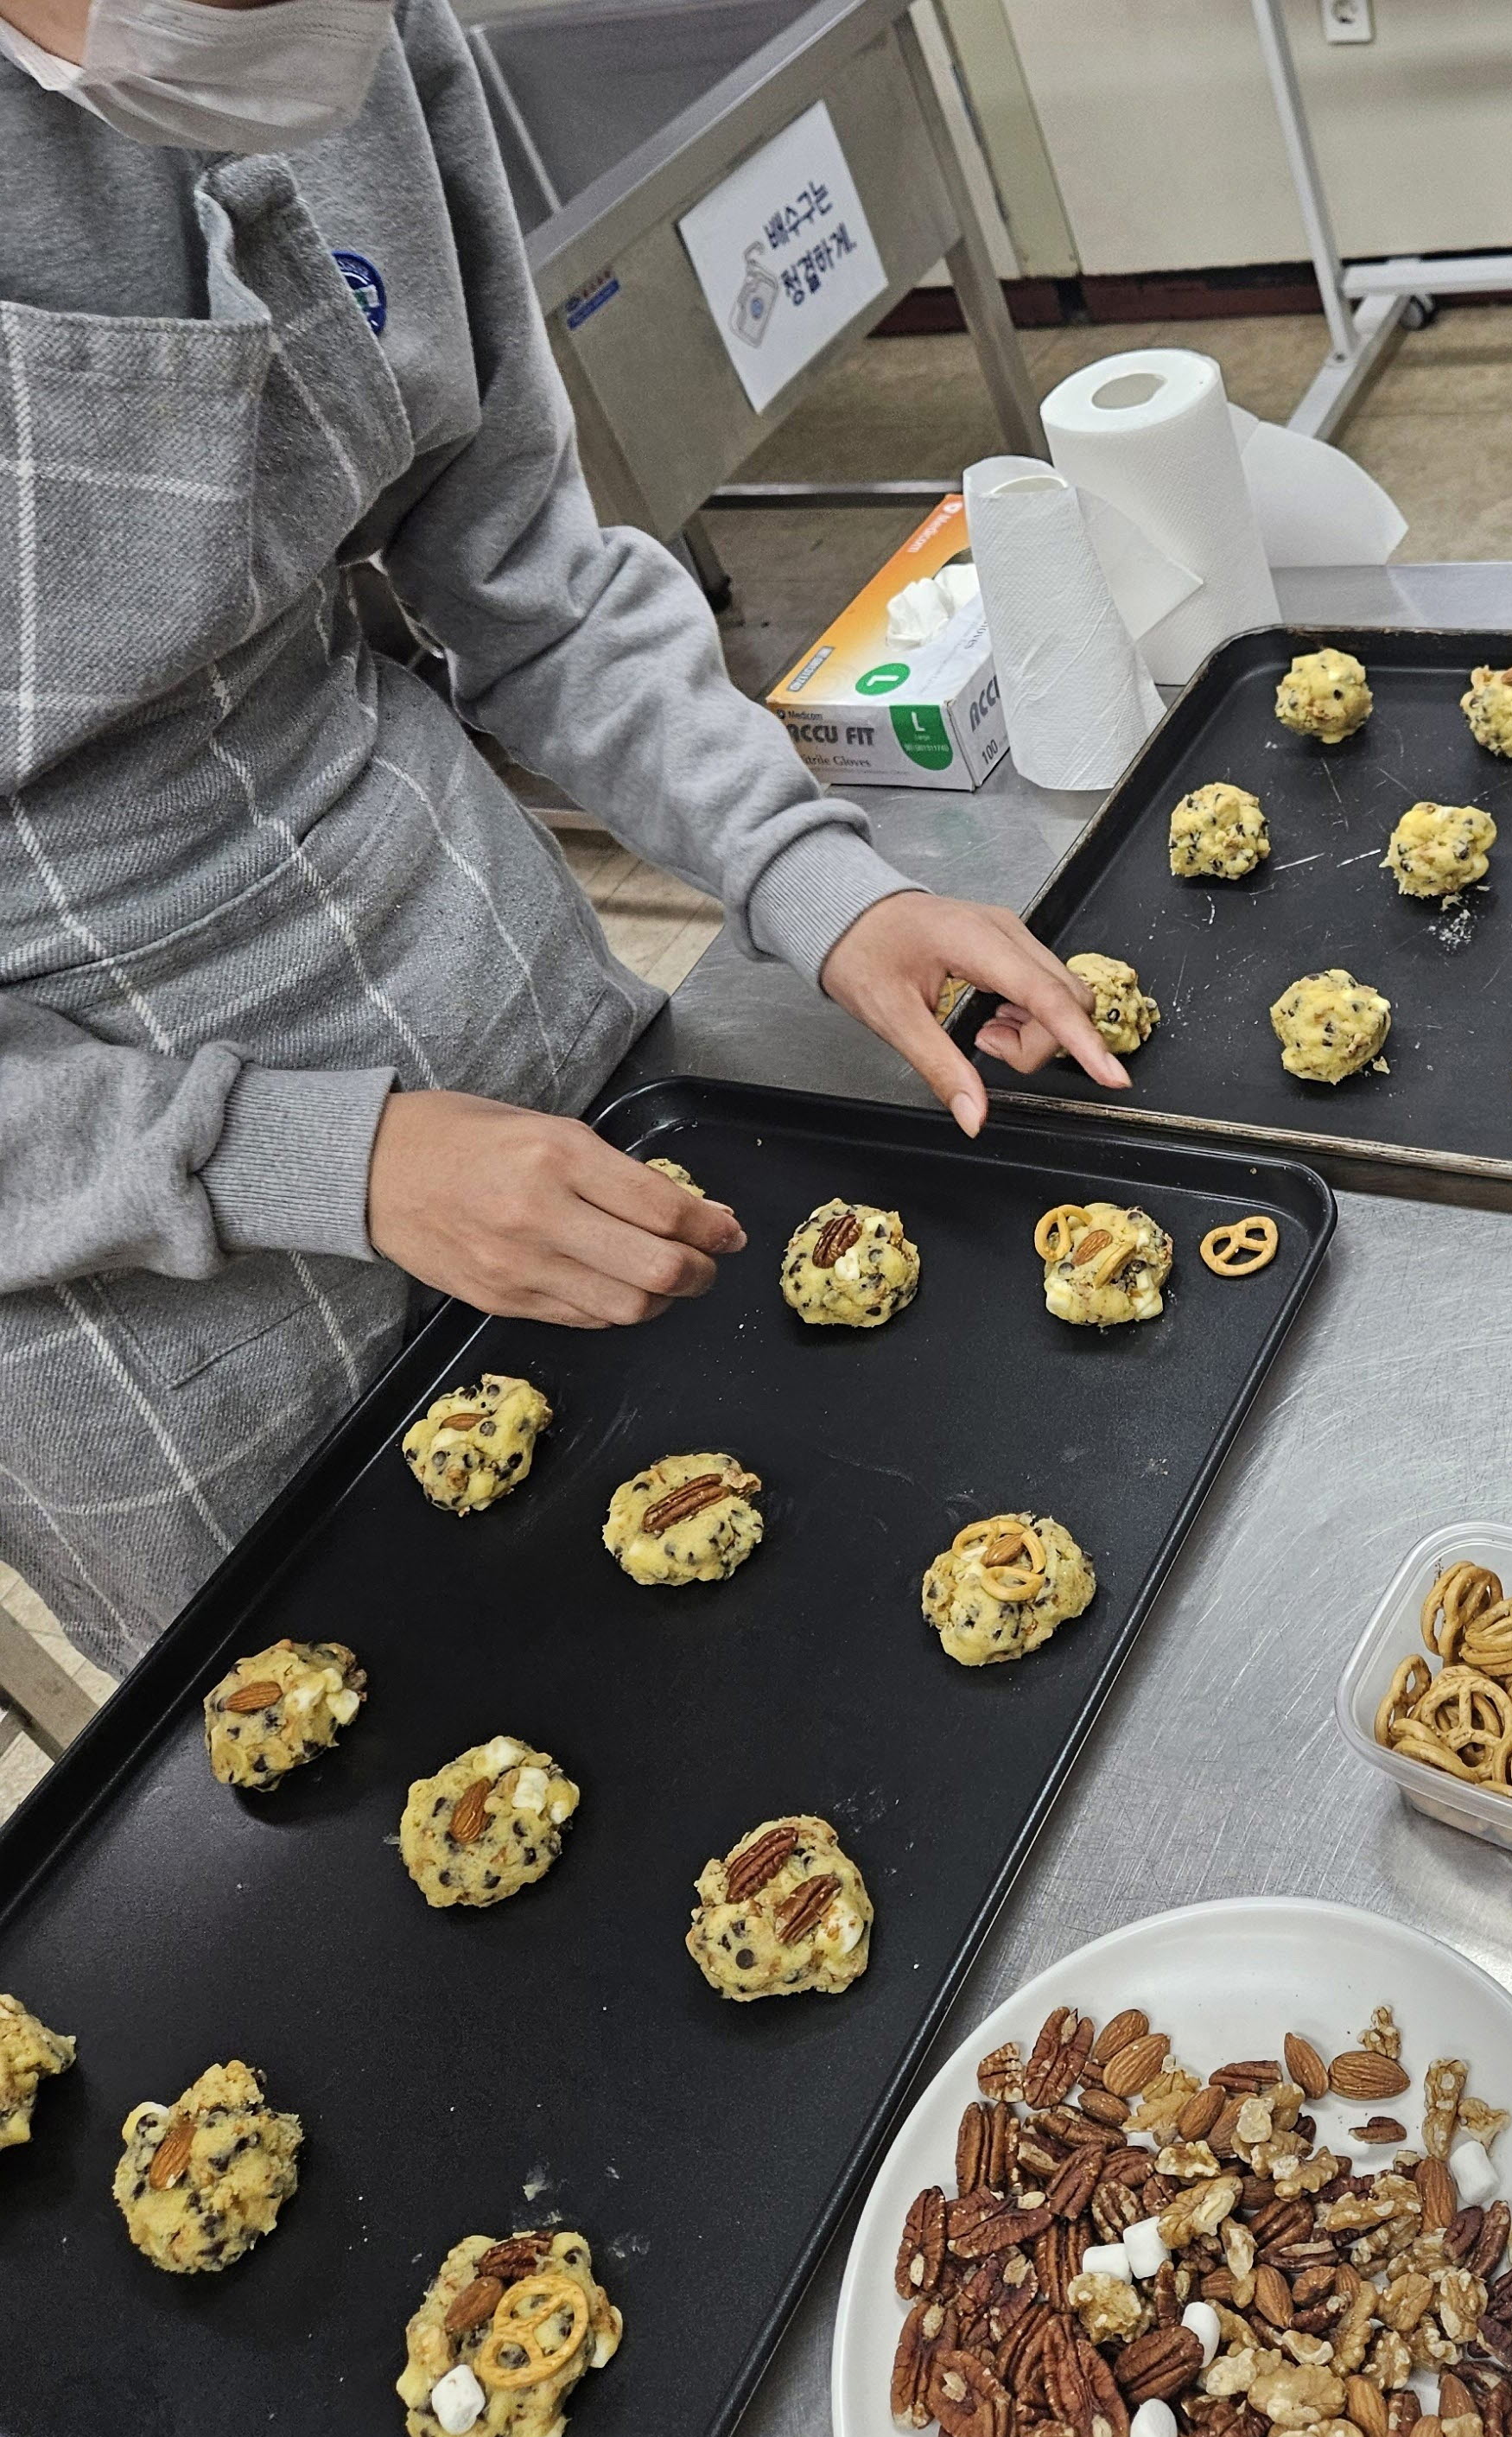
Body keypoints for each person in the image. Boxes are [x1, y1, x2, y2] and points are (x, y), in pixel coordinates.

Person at [0, 0, 1126, 1676]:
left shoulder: (349, 44)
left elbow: (520, 566)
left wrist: (817, 877)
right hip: (137, 1265)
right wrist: (336, 1159)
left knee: (780, 1632)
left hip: (522, 1018)